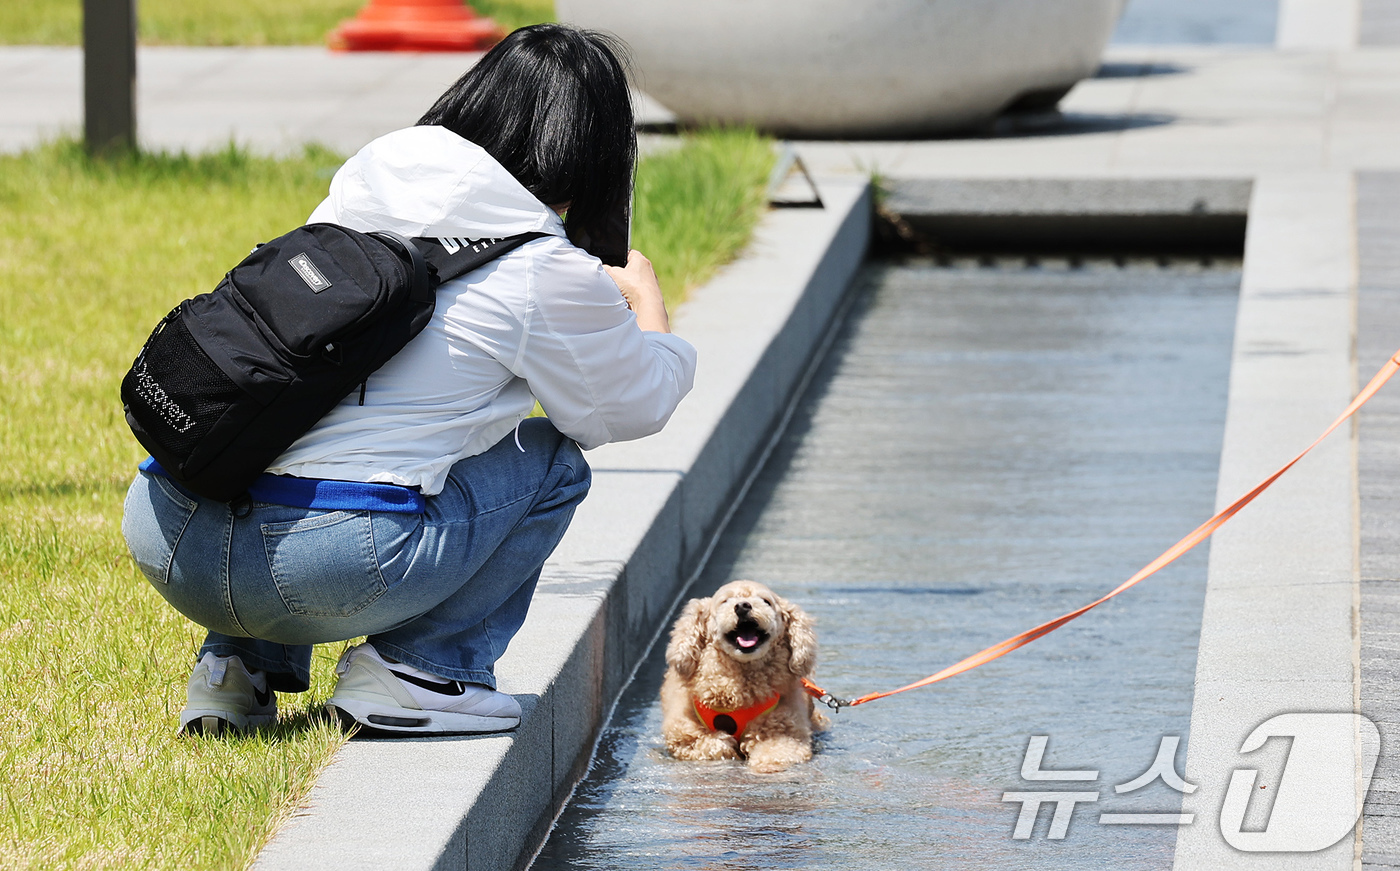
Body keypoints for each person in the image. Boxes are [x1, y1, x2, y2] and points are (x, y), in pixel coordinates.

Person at [120, 24, 696, 737]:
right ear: (596, 158)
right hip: (328, 565)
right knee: (553, 462)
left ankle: (233, 669)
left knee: (304, 413)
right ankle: (423, 669)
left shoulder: (366, 184)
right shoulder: (544, 268)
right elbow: (628, 405)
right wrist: (650, 308)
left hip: (168, 529)